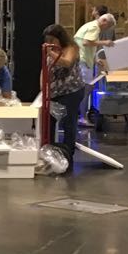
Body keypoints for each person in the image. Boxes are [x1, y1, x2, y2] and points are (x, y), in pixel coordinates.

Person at [43, 23, 85, 174]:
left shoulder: (71, 48)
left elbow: (67, 62)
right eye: (48, 40)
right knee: (50, 122)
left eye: (52, 40)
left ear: (60, 38)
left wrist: (51, 53)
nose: (50, 43)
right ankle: (49, 152)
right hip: (55, 93)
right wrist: (43, 87)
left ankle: (68, 154)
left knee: (68, 122)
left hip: (71, 92)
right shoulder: (52, 51)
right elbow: (44, 69)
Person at [74, 13, 117, 126]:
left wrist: (95, 60)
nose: (105, 29)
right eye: (107, 26)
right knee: (86, 90)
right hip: (83, 62)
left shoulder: (89, 26)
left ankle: (80, 116)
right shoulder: (95, 27)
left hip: (83, 60)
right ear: (104, 21)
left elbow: (85, 46)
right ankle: (82, 118)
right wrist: (104, 42)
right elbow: (86, 43)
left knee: (85, 89)